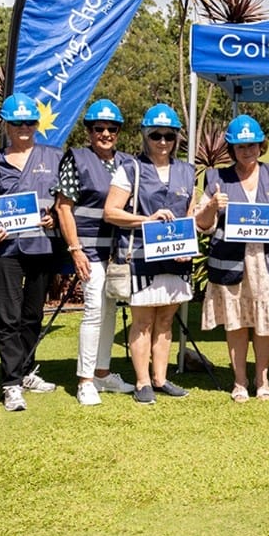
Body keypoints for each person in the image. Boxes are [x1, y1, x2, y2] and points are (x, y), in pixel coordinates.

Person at [197, 115, 269, 403]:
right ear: (232, 148)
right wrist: (213, 206)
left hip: (267, 262)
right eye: (240, 146)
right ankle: (239, 381)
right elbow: (202, 224)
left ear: (261, 145)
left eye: (252, 145)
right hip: (231, 263)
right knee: (237, 322)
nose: (247, 151)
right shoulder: (216, 178)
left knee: (265, 323)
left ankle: (262, 379)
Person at [104, 103, 195, 405]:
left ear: (177, 137)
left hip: (176, 259)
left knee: (166, 321)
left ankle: (160, 378)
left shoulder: (187, 172)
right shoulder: (130, 169)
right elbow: (111, 212)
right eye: (156, 135)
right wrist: (148, 219)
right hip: (141, 257)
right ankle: (142, 381)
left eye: (169, 136)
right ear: (145, 135)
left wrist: (188, 248)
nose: (163, 142)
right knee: (142, 321)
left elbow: (190, 217)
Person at [0, 93, 63, 412]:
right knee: (8, 315)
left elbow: (63, 201)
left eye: (29, 122)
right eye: (17, 123)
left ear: (37, 124)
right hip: (5, 248)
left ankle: (28, 370)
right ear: (6, 125)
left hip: (41, 244)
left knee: (33, 314)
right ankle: (11, 382)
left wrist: (54, 215)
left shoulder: (54, 157)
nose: (23, 127)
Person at [55, 99, 136, 406]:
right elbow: (64, 208)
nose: (105, 134)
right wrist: (75, 249)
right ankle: (85, 380)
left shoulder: (127, 162)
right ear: (89, 131)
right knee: (93, 311)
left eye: (111, 129)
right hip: (88, 248)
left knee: (110, 311)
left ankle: (103, 374)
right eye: (99, 128)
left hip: (118, 250)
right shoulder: (76, 158)